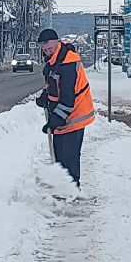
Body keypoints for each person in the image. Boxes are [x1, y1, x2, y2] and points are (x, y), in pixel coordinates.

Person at [37, 27, 95, 186]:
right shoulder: (53, 60)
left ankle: (72, 193)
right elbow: (54, 85)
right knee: (59, 156)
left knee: (70, 157)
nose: (47, 50)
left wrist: (54, 120)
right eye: (44, 48)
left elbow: (68, 98)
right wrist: (46, 97)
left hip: (75, 114)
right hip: (63, 115)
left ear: (57, 41)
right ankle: (63, 189)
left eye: (49, 47)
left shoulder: (68, 62)